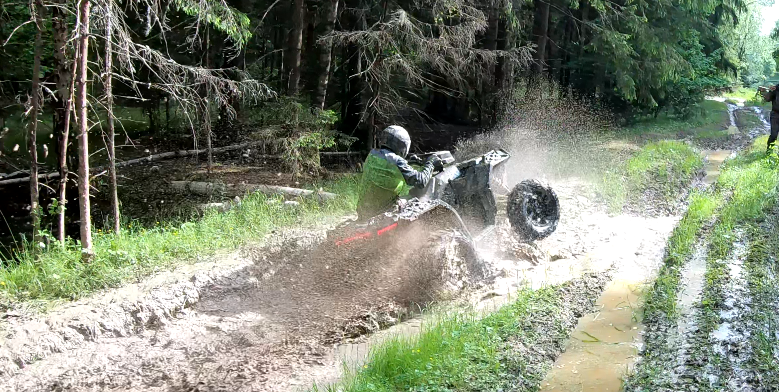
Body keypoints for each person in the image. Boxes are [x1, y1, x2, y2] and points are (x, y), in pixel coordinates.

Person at [356, 125, 442, 220]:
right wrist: (430, 163)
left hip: (363, 211)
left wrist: (409, 162)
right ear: (402, 145)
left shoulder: (372, 154)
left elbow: (387, 164)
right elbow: (421, 181)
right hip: (384, 213)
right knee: (418, 202)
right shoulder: (398, 162)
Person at [759, 84, 779, 153]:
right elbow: (767, 99)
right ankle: (769, 151)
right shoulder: (776, 89)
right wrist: (765, 92)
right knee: (773, 135)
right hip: (775, 115)